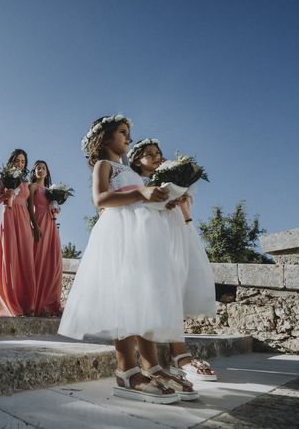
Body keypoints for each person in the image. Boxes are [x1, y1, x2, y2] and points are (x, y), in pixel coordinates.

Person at [58, 115, 185, 404]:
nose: (128, 137)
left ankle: (150, 365)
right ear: (105, 139)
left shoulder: (132, 172)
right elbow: (101, 199)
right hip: (119, 234)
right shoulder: (105, 166)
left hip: (141, 236)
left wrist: (163, 203)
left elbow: (140, 199)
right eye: (123, 132)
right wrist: (140, 192)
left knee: (142, 299)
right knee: (124, 298)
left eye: (129, 133)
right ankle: (125, 368)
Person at [129, 138, 217, 383]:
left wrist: (179, 201)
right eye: (149, 154)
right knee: (158, 287)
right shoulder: (135, 183)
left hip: (175, 231)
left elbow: (185, 210)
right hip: (149, 237)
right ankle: (179, 354)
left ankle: (179, 354)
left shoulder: (169, 178)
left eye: (158, 153)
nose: (156, 157)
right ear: (137, 159)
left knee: (175, 287)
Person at [0, 149, 40, 317]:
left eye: (23, 161)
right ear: (12, 161)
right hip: (9, 216)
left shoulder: (26, 182)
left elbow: (29, 206)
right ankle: (10, 303)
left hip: (24, 220)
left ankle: (27, 303)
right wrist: (6, 194)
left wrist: (34, 225)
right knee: (10, 258)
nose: (20, 164)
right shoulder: (4, 177)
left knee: (26, 259)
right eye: (18, 161)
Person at [29, 160, 63, 317]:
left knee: (53, 262)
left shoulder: (51, 190)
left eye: (43, 168)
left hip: (52, 224)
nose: (40, 170)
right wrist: (35, 226)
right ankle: (37, 304)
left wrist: (56, 210)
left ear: (47, 172)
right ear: (34, 172)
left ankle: (51, 304)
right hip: (39, 223)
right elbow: (29, 208)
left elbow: (54, 209)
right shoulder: (33, 187)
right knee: (39, 261)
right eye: (38, 168)